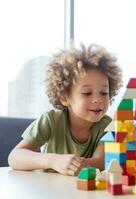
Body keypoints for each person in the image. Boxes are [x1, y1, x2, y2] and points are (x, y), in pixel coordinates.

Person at [8, 44, 122, 176]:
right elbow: (14, 157)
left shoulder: (107, 126)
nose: (98, 99)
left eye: (104, 93)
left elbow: (100, 162)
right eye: (87, 93)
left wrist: (73, 164)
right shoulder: (50, 121)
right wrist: (53, 161)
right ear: (64, 97)